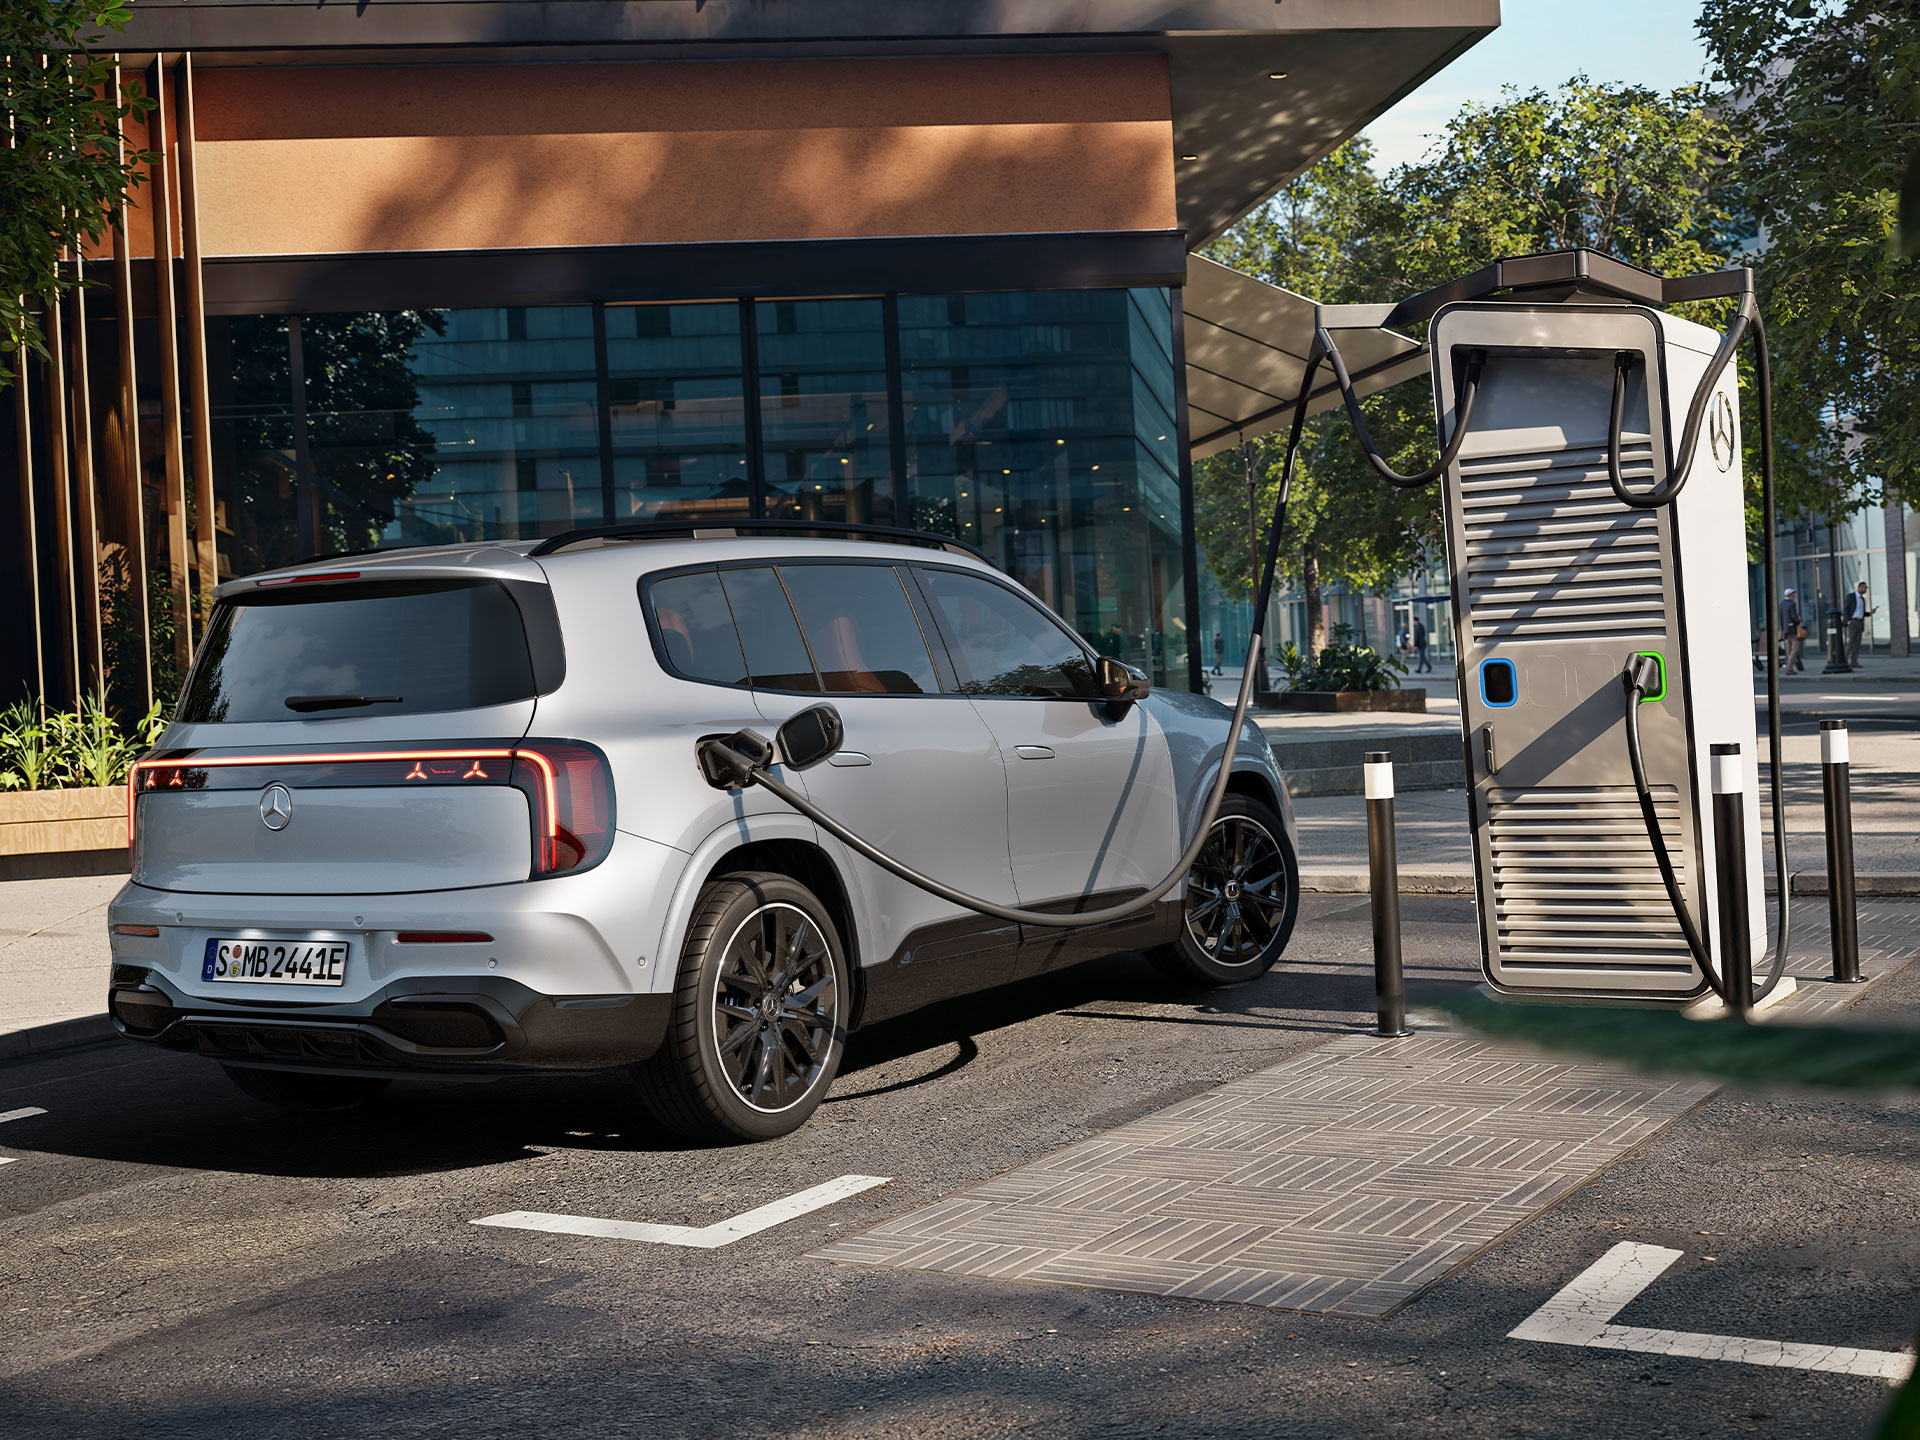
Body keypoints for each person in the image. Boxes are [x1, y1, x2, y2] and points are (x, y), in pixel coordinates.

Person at [1844, 581, 1875, 668]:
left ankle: (1854, 661)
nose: (1865, 589)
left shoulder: (1862, 599)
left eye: (1866, 588)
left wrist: (1869, 613)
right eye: (1864, 588)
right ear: (1859, 588)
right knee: (1850, 642)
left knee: (1857, 644)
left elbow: (1862, 613)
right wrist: (1849, 621)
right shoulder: (1851, 596)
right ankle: (1844, 661)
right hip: (1853, 622)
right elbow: (1846, 609)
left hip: (1860, 622)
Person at [1780, 588, 1804, 673]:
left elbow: (1781, 618)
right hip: (1793, 630)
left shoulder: (1782, 604)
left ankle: (1790, 668)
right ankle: (1789, 668)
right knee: (1794, 650)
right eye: (1793, 594)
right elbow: (1795, 618)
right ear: (1789, 595)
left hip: (1786, 631)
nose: (1794, 596)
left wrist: (1783, 631)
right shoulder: (1792, 604)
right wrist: (1799, 620)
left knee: (1788, 651)